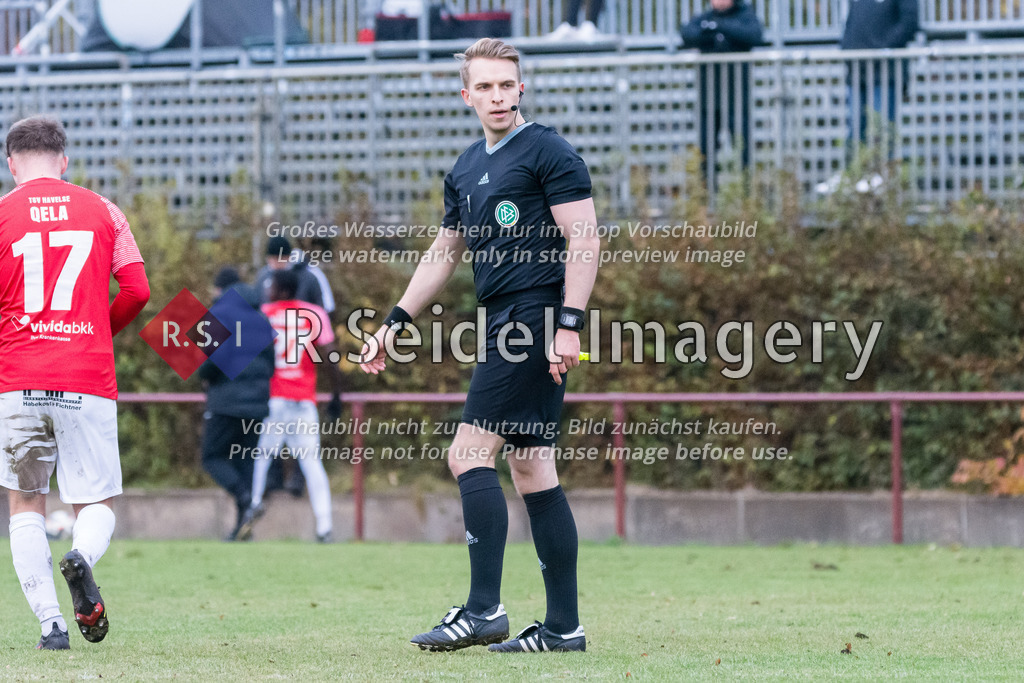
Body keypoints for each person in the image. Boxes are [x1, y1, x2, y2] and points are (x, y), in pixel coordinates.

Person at [359, 38, 600, 654]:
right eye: (484, 87)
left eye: (506, 84)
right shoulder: (466, 168)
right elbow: (443, 256)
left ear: (522, 88)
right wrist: (394, 321)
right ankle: (563, 628)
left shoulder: (548, 150)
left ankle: (483, 609)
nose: (497, 95)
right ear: (465, 95)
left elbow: (585, 240)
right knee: (530, 465)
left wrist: (569, 323)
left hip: (535, 318)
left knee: (468, 454)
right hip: (504, 320)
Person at [0, 115, 150, 649]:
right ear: (64, 161)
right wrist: (93, 333)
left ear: (11, 163)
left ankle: (52, 627)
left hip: (18, 377)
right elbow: (137, 290)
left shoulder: (1, 214)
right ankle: (80, 560)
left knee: (25, 503)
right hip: (85, 375)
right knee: (96, 502)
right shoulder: (105, 211)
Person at [240, 268, 343, 543]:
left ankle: (251, 510)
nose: (268, 289)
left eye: (272, 286)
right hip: (303, 397)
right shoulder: (314, 314)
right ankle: (325, 527)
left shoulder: (262, 313)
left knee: (261, 457)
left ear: (283, 289)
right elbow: (331, 356)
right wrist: (336, 394)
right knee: (312, 463)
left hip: (274, 397)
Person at [198, 267, 275, 541]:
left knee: (212, 457)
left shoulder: (218, 314)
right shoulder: (261, 319)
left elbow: (211, 362)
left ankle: (245, 498)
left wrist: (202, 376)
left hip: (226, 402)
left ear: (220, 290)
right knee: (244, 460)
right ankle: (243, 527)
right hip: (257, 404)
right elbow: (271, 366)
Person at [680, 0, 764, 176]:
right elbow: (687, 34)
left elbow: (754, 35)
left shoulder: (744, 15)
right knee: (705, 151)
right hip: (709, 99)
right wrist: (720, 31)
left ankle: (746, 195)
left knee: (743, 150)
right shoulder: (704, 17)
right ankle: (706, 196)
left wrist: (718, 27)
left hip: (737, 98)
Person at [840, 0, 918, 154]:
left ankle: (882, 175)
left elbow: (909, 23)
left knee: (882, 129)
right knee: (856, 129)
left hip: (885, 72)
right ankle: (853, 175)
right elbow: (852, 22)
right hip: (856, 70)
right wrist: (847, 47)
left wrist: (881, 48)